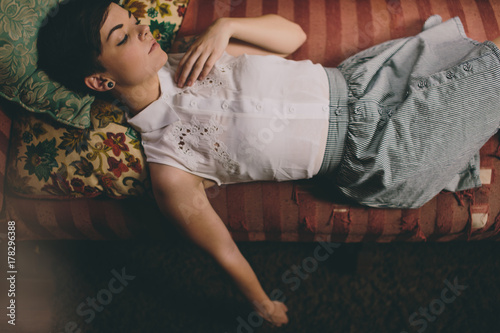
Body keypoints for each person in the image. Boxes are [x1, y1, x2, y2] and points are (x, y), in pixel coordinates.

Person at [37, 0, 500, 327]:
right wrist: (261, 304)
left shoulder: (197, 53)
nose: (142, 29)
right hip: (376, 153)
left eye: (132, 19)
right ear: (100, 79)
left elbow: (292, 38)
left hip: (368, 82)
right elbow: (222, 250)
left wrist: (224, 27)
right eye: (122, 36)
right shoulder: (169, 167)